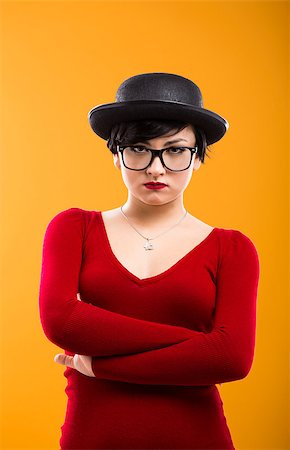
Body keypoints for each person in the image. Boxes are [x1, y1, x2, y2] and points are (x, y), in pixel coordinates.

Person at [38, 72, 260, 449]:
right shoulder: (74, 228)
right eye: (140, 148)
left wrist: (99, 366)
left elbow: (232, 361)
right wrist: (198, 345)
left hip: (198, 438)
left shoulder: (233, 249)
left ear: (198, 158)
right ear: (116, 154)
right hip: (92, 438)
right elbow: (62, 323)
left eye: (174, 150)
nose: (156, 167)